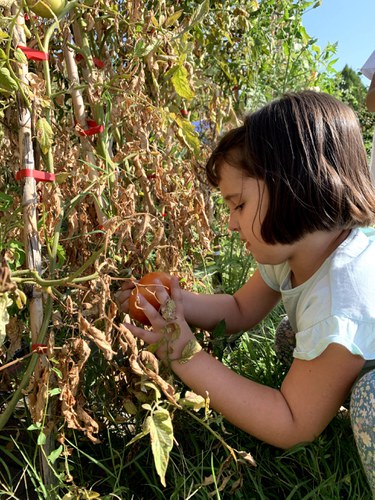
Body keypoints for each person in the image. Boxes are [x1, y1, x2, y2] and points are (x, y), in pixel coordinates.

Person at [117, 91, 375, 493]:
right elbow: (239, 308)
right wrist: (176, 304)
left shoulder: (343, 297)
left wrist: (186, 358)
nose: (232, 225)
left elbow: (291, 424)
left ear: (295, 187)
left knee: (370, 403)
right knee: (290, 334)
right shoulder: (295, 248)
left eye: (238, 205)